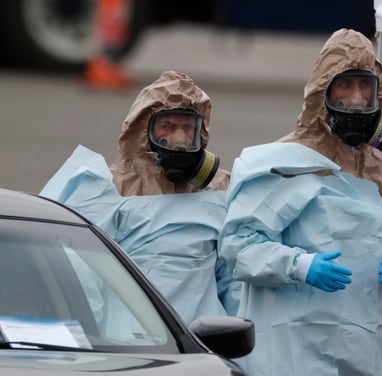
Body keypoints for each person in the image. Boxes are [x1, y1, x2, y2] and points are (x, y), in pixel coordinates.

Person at [218, 28, 382, 376]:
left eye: (364, 87)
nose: (355, 99)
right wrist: (298, 265)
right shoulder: (280, 162)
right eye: (344, 86)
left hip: (369, 344)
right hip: (295, 345)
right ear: (323, 93)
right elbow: (238, 246)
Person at [41, 70, 239, 325]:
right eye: (167, 127)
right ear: (144, 132)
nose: (179, 140)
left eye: (188, 128)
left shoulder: (219, 189)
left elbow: (233, 278)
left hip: (200, 340)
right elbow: (77, 272)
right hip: (131, 335)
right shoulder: (108, 188)